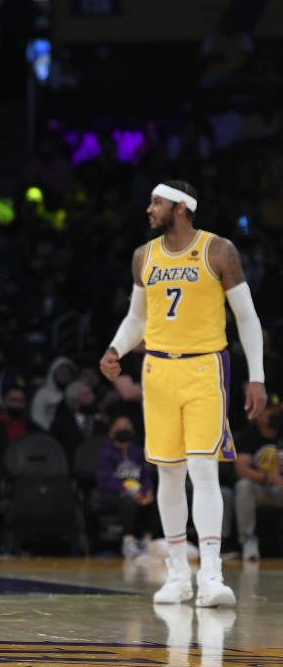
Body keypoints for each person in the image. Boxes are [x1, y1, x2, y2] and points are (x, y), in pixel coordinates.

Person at [100, 180, 266, 607]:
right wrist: (116, 348)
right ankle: (178, 574)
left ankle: (211, 575)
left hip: (204, 367)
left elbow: (246, 318)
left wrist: (257, 376)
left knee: (203, 470)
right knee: (168, 473)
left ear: (181, 208)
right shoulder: (144, 256)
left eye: (156, 202)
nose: (148, 209)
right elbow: (137, 317)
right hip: (157, 370)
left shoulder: (219, 250)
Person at [96, 414, 157, 558]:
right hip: (114, 493)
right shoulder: (106, 452)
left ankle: (146, 541)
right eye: (119, 427)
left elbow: (146, 475)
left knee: (153, 501)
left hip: (137, 490)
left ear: (133, 430)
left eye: (127, 426)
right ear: (111, 432)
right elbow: (106, 480)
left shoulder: (137, 451)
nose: (123, 429)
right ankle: (128, 541)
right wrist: (127, 491)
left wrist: (147, 490)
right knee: (128, 502)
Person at [233, 393, 283, 561]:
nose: (277, 416)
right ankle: (248, 541)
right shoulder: (249, 435)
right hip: (260, 489)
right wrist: (269, 478)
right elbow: (241, 470)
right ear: (259, 414)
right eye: (272, 412)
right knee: (243, 486)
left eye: (279, 411)